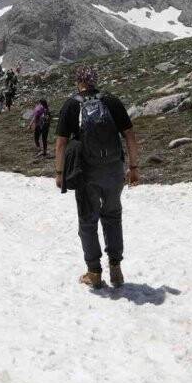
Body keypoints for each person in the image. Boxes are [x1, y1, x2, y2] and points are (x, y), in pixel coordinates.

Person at [55, 65, 140, 289]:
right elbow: (130, 136)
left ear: (78, 82)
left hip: (86, 172)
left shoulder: (72, 104)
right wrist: (133, 167)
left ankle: (94, 272)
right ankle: (116, 268)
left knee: (88, 220)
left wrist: (59, 172)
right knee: (112, 216)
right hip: (113, 169)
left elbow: (61, 143)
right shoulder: (111, 101)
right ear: (95, 80)